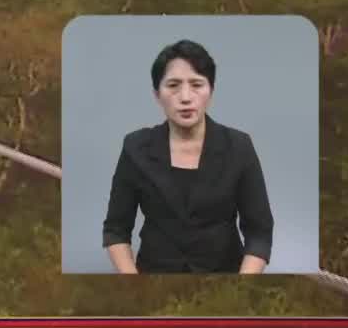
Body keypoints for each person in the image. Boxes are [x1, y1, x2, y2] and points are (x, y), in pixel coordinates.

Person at [101, 39, 274, 274]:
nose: (185, 97)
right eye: (173, 85)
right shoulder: (135, 148)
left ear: (210, 91)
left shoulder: (239, 146)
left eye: (196, 84)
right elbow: (116, 229)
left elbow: (259, 232)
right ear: (156, 94)